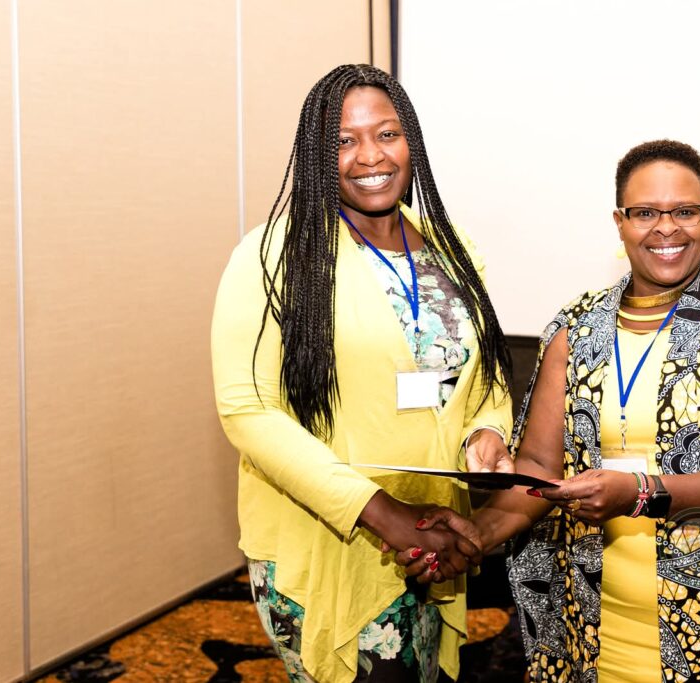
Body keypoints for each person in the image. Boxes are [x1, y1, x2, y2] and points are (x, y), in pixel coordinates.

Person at [397, 140, 700, 681]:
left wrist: (640, 492)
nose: (666, 228)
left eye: (685, 211)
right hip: (597, 635)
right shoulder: (578, 327)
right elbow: (540, 469)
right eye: (646, 213)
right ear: (620, 222)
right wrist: (474, 534)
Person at [211, 64, 513, 683]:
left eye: (387, 134)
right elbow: (248, 410)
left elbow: (482, 381)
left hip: (434, 535)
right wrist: (382, 513)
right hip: (333, 538)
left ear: (412, 141)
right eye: (343, 141)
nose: (369, 156)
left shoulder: (451, 247)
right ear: (316, 154)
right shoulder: (274, 255)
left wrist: (487, 434)